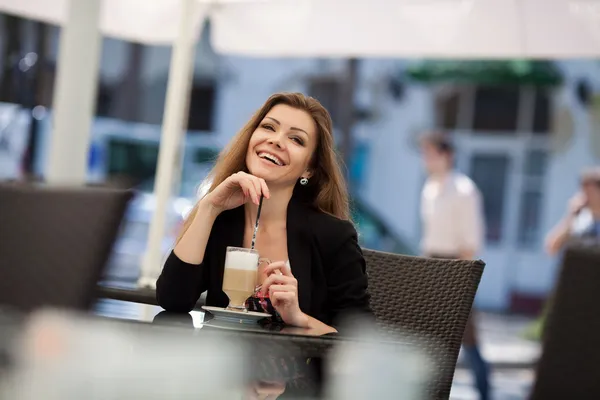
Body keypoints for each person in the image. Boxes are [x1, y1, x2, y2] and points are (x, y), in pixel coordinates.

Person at [156, 92, 371, 333]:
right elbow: (172, 300)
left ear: (309, 170)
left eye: (296, 140)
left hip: (296, 369)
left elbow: (359, 340)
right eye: (269, 127)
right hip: (218, 365)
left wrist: (298, 318)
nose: (277, 141)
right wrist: (209, 207)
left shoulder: (333, 235)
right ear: (250, 139)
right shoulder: (221, 219)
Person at [419, 131, 490, 400]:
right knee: (428, 337)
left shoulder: (464, 190)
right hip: (432, 266)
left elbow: (471, 242)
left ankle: (486, 394)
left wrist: (459, 282)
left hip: (458, 269)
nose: (426, 159)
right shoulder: (429, 188)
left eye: (431, 153)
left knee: (468, 340)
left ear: (447, 155)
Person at [545, 166, 600, 255]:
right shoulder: (579, 221)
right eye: (584, 191)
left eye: (591, 192)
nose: (586, 196)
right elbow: (551, 249)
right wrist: (571, 216)